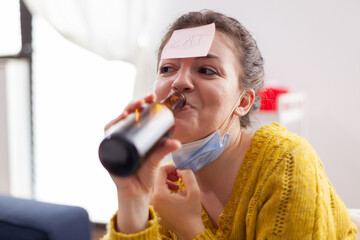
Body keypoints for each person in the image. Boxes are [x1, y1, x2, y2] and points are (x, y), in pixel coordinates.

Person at [101, 10, 357, 240]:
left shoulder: (287, 161)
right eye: (167, 68)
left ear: (243, 101)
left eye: (207, 71)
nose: (179, 82)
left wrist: (190, 230)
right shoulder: (168, 185)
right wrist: (132, 199)